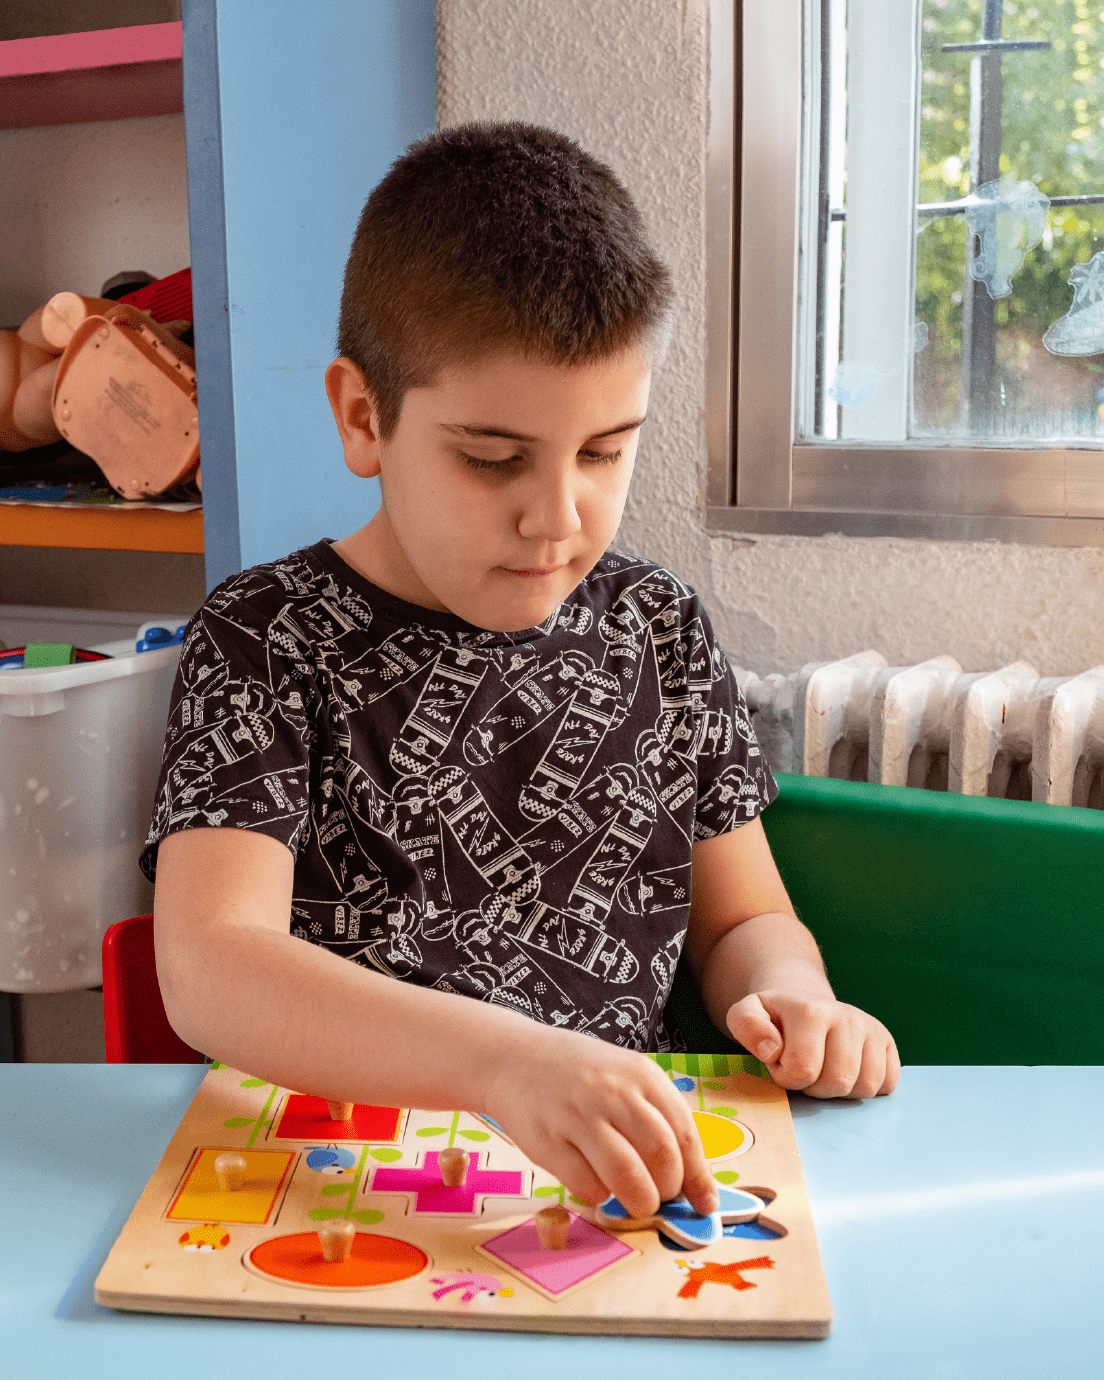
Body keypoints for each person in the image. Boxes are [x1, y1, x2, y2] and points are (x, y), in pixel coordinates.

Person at [147, 122, 898, 1224]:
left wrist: (794, 997)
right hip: (348, 1200)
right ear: (364, 417)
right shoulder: (265, 639)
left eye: (605, 451)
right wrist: (506, 1064)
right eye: (491, 459)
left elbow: (744, 924)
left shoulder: (659, 626)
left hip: (615, 1196)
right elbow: (214, 965)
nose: (558, 517)